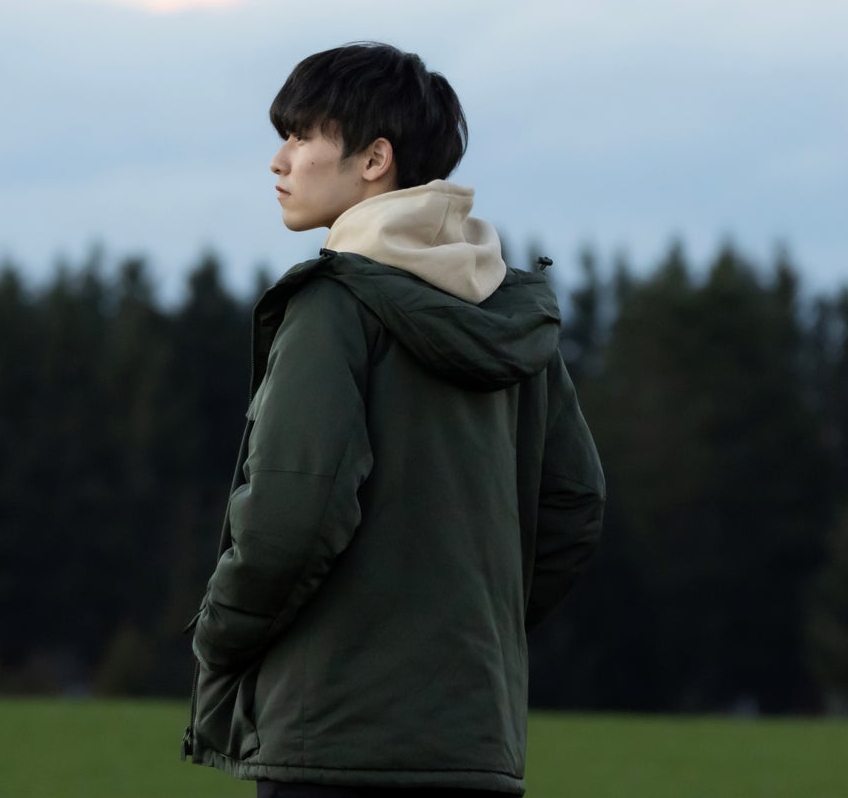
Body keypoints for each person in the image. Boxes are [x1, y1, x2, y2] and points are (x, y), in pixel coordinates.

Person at [180, 42, 606, 798]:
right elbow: (574, 502)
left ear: (375, 159)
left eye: (301, 135)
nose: (279, 160)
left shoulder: (333, 306)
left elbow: (290, 515)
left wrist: (218, 635)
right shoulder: (512, 316)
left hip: (334, 740)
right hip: (475, 745)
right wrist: (471, 631)